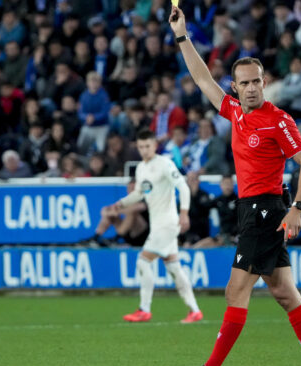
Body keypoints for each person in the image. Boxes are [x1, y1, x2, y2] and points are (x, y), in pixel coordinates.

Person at [164, 6, 301, 366]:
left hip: (266, 211)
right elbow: (203, 80)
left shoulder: (278, 119)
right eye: (245, 83)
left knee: (235, 291)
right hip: (253, 208)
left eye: (257, 81)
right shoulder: (236, 113)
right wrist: (182, 36)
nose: (253, 87)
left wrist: (297, 209)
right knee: (286, 294)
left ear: (264, 81)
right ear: (236, 88)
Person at [113, 128, 202, 324]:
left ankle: (144, 309)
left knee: (143, 261)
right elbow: (140, 193)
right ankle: (194, 310)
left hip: (167, 223)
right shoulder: (141, 169)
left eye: (148, 146)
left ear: (155, 145)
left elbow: (183, 187)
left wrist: (184, 213)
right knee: (173, 266)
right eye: (141, 146)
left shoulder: (164, 164)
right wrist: (122, 203)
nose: (144, 150)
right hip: (158, 225)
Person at [79, 177, 149, 248]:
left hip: (142, 235)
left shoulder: (145, 199)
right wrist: (112, 212)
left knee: (132, 213)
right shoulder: (125, 202)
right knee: (111, 215)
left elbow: (137, 208)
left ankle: (117, 239)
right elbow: (104, 210)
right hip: (128, 234)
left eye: (133, 189)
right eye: (129, 189)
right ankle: (96, 238)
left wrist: (117, 211)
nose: (130, 191)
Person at [191, 175, 239, 249]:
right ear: (221, 185)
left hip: (235, 236)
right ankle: (189, 252)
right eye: (225, 184)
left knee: (217, 243)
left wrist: (233, 235)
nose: (227, 187)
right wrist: (195, 193)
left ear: (233, 185)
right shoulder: (219, 200)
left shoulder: (238, 201)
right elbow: (202, 206)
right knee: (202, 244)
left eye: (229, 184)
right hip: (222, 235)